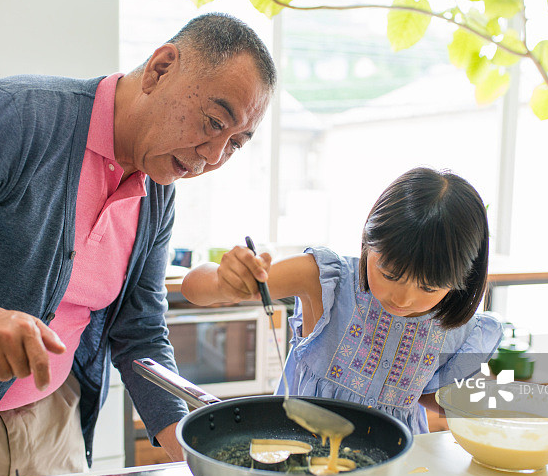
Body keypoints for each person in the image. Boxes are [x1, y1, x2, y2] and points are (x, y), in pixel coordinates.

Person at [0, 12, 276, 476]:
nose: (212, 156)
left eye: (235, 144)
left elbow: (138, 329)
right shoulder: (16, 117)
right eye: (213, 122)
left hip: (52, 424)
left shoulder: (158, 189)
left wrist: (185, 441)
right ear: (162, 68)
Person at [181, 167, 502, 435]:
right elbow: (193, 288)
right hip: (302, 454)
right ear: (368, 239)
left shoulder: (455, 322)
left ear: (463, 278)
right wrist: (225, 282)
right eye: (390, 274)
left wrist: (480, 405)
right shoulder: (324, 280)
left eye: (430, 287)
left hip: (400, 468)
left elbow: (430, 394)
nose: (404, 299)